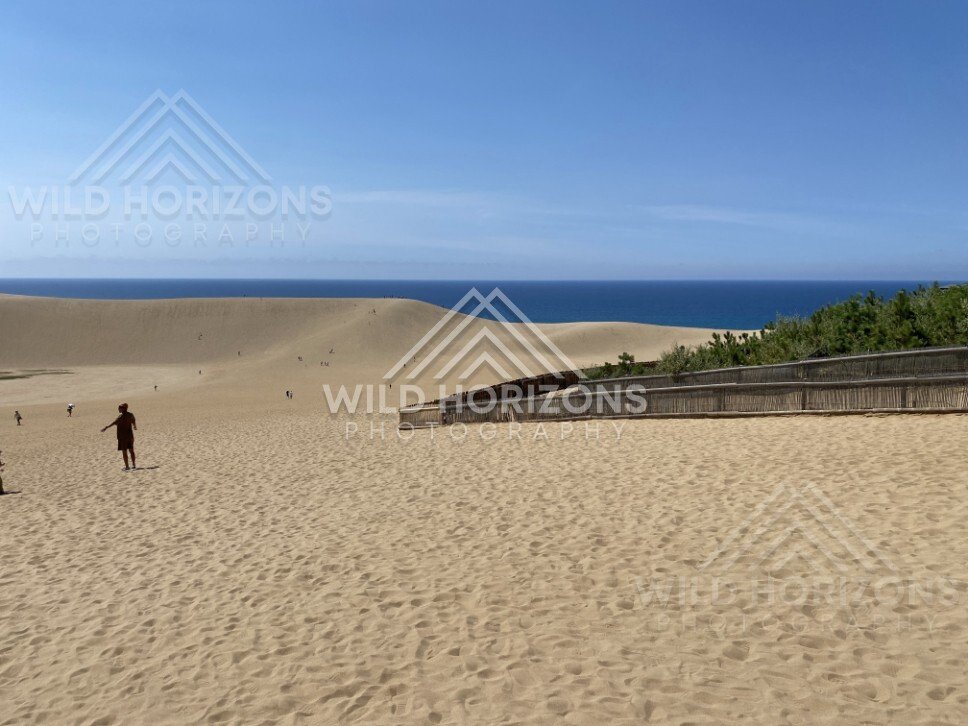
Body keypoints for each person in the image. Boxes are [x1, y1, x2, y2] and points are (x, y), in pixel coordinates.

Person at [101, 403, 137, 470]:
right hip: (130, 436)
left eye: (120, 408)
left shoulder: (120, 416)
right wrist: (134, 426)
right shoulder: (130, 415)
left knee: (124, 451)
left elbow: (113, 423)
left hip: (122, 437)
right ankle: (134, 465)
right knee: (131, 450)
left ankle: (127, 466)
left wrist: (106, 427)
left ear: (123, 409)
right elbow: (133, 421)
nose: (118, 409)